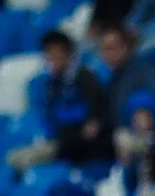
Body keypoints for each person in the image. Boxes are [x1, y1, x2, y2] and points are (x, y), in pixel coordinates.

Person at [8, 30, 113, 171]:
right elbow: (46, 117)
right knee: (13, 158)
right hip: (57, 141)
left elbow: (92, 121)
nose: (53, 60)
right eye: (49, 55)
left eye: (57, 54)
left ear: (69, 54)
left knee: (27, 160)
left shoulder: (85, 77)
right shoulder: (48, 85)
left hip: (76, 144)